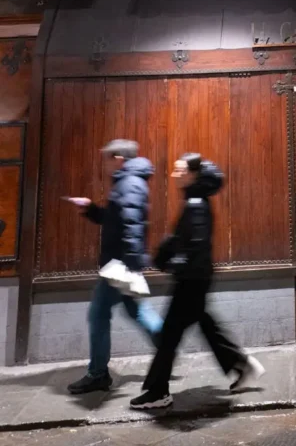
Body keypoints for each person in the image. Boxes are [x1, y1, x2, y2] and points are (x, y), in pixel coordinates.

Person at [131, 153, 264, 410]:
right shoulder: (194, 201)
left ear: (191, 173)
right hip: (194, 279)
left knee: (169, 336)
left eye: (179, 169)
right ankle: (242, 365)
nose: (174, 174)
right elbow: (184, 240)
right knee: (206, 326)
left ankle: (158, 392)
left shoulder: (195, 204)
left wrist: (172, 263)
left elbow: (197, 247)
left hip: (191, 281)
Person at [66, 139, 163, 395]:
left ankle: (98, 374)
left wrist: (129, 265)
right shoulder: (128, 181)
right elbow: (116, 220)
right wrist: (91, 209)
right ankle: (168, 351)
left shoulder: (129, 183)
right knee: (138, 314)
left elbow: (132, 225)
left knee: (98, 314)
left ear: (119, 158)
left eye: (107, 158)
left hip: (119, 265)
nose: (105, 164)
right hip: (122, 264)